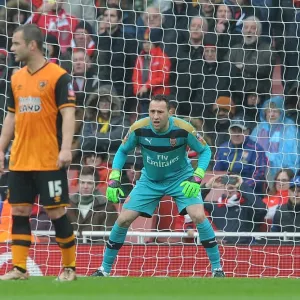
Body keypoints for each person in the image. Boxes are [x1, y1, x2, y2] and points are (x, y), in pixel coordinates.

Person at [91, 94, 225, 278]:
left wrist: (197, 176)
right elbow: (122, 150)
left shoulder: (183, 129)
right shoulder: (139, 128)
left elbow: (205, 151)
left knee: (198, 216)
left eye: (160, 112)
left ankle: (217, 269)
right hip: (150, 181)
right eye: (152, 111)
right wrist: (114, 178)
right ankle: (104, 270)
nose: (155, 116)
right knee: (123, 219)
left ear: (169, 113)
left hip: (181, 179)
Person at [0, 24, 76, 281]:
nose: (12, 48)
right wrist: (1, 149)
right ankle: (19, 269)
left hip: (48, 158)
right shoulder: (16, 78)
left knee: (56, 212)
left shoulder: (58, 76)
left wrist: (65, 148)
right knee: (19, 213)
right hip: (20, 159)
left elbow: (68, 113)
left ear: (32, 45)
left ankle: (69, 268)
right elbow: (11, 116)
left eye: (16, 43)